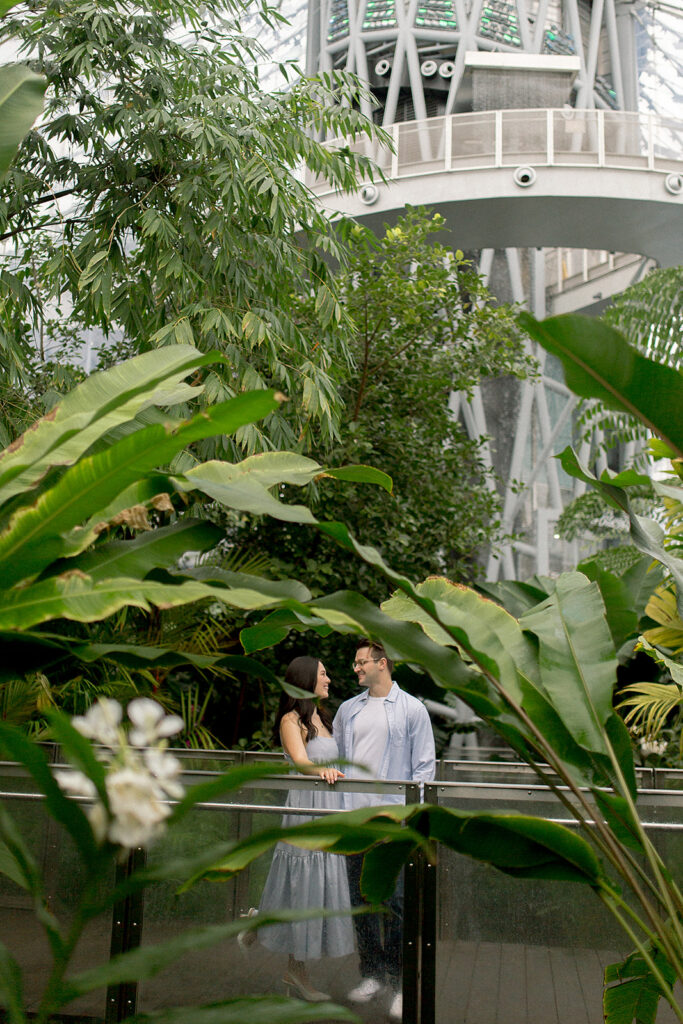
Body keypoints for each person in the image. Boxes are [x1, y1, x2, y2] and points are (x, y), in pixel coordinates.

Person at [238, 656, 354, 1002]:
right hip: (305, 812)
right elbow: (302, 762)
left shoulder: (324, 717)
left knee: (313, 889)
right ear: (305, 679)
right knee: (302, 885)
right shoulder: (292, 720)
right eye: (322, 673)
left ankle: (279, 946)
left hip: (328, 811)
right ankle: (295, 968)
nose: (329, 678)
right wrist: (323, 772)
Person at [333, 638, 436, 1022]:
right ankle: (373, 973)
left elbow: (424, 769)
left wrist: (412, 819)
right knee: (360, 902)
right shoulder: (348, 710)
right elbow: (341, 760)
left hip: (392, 822)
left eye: (361, 662)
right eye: (355, 662)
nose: (356, 668)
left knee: (395, 905)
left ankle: (400, 982)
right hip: (354, 820)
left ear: (382, 663)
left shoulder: (413, 710)